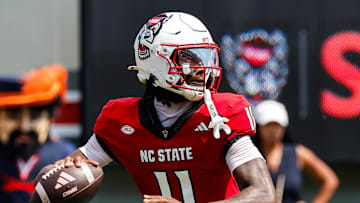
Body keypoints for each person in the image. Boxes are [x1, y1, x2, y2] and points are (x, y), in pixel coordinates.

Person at [52, 12, 276, 203]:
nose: (202, 68)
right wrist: (60, 175)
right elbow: (77, 164)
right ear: (154, 61)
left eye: (205, 56)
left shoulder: (221, 115)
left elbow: (264, 194)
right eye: (191, 58)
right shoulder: (121, 121)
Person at [0, 65, 76, 202]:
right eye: (13, 116)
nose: (24, 127)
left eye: (35, 117)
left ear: (50, 119)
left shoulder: (65, 156)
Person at [253, 100, 339, 203]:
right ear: (258, 126)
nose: (273, 130)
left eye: (277, 125)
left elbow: (330, 180)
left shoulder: (299, 153)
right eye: (268, 125)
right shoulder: (249, 155)